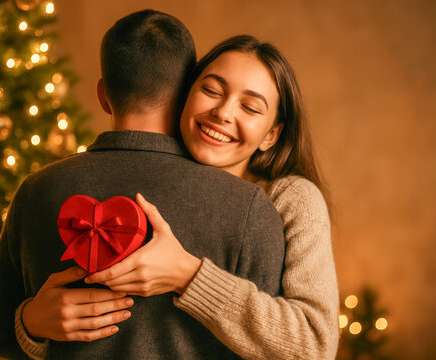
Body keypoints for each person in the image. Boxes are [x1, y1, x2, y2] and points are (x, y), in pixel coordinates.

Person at [0, 11, 285, 360]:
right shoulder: (249, 207)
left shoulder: (36, 190)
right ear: (187, 92)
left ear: (102, 94)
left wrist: (29, 322)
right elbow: (274, 348)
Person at [17, 34, 340, 359]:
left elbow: (315, 345)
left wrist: (188, 275)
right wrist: (32, 323)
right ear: (183, 96)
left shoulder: (289, 198)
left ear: (271, 135)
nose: (223, 113)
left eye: (250, 107)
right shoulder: (134, 176)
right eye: (211, 90)